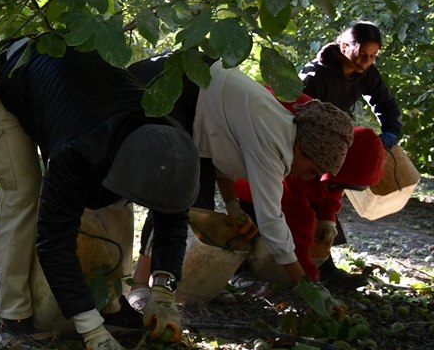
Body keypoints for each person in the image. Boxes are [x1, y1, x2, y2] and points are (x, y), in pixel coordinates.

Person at [0, 39, 201, 350]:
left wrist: (163, 290)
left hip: (83, 96)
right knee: (22, 195)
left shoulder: (169, 143)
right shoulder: (76, 155)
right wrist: (91, 331)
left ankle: (112, 305)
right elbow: (54, 240)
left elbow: (172, 217)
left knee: (114, 206)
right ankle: (13, 318)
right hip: (17, 72)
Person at [127, 54, 356, 290]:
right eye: (312, 170)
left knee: (192, 200)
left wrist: (231, 204)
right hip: (175, 83)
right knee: (174, 194)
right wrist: (307, 286)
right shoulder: (274, 142)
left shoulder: (282, 126)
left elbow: (219, 145)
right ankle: (141, 285)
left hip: (195, 90)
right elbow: (272, 224)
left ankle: (156, 284)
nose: (307, 178)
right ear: (303, 148)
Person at [301, 21, 402, 285]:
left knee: (329, 195)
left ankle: (323, 266)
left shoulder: (366, 73)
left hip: (334, 145)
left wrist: (390, 132)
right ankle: (311, 269)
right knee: (303, 200)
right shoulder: (315, 76)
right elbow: (296, 116)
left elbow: (386, 105)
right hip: (303, 145)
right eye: (362, 55)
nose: (366, 61)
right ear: (344, 46)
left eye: (372, 56)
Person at [233, 123, 385, 283]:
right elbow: (299, 225)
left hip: (296, 192)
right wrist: (308, 281)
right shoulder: (302, 171)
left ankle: (326, 270)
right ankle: (242, 272)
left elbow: (333, 191)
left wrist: (328, 220)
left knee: (316, 233)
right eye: (340, 183)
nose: (339, 188)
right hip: (254, 190)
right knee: (249, 229)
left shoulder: (332, 168)